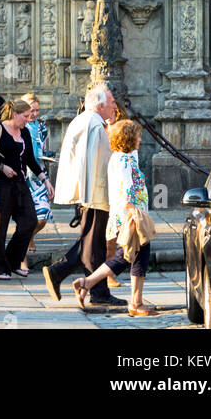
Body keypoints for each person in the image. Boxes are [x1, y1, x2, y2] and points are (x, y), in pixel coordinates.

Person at [42, 84, 126, 310]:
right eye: (111, 103)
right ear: (100, 105)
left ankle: (96, 290)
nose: (115, 106)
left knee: (93, 244)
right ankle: (58, 272)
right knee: (92, 243)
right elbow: (101, 162)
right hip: (96, 194)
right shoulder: (94, 125)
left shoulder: (86, 120)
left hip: (89, 193)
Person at [74, 120, 157, 317]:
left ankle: (131, 300)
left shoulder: (123, 157)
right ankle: (133, 302)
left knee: (131, 256)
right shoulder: (124, 161)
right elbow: (127, 191)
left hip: (129, 214)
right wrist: (133, 217)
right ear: (128, 138)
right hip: (130, 215)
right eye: (136, 135)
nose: (140, 139)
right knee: (131, 257)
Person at [0, 100, 53, 280]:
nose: (28, 119)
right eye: (25, 116)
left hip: (20, 183)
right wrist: (2, 167)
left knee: (29, 221)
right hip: (1, 184)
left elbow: (31, 159)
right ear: (15, 114)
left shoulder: (24, 131)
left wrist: (45, 180)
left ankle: (13, 261)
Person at [21, 93, 53, 270]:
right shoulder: (19, 126)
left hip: (39, 175)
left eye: (37, 110)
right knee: (27, 217)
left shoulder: (41, 127)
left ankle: (29, 237)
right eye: (30, 110)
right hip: (24, 176)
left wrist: (48, 155)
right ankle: (22, 252)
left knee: (43, 215)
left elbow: (43, 147)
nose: (34, 114)